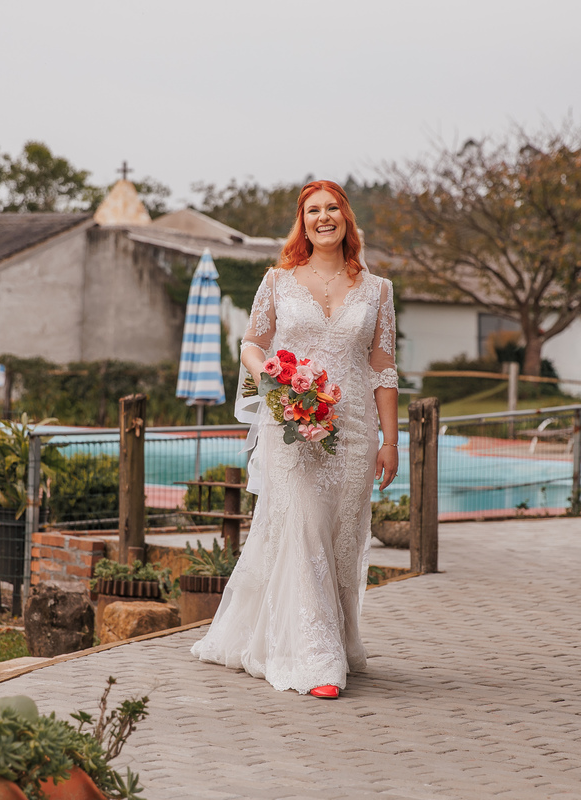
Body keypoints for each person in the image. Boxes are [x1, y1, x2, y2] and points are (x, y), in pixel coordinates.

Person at [191, 180, 399, 699]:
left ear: (347, 219)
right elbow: (251, 344)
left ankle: (339, 638)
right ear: (301, 222)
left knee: (339, 537)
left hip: (353, 429)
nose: (323, 218)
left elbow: (384, 369)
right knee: (304, 528)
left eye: (332, 209)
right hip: (293, 424)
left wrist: (389, 442)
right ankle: (314, 659)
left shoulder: (379, 291)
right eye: (312, 211)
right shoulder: (278, 281)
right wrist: (275, 376)